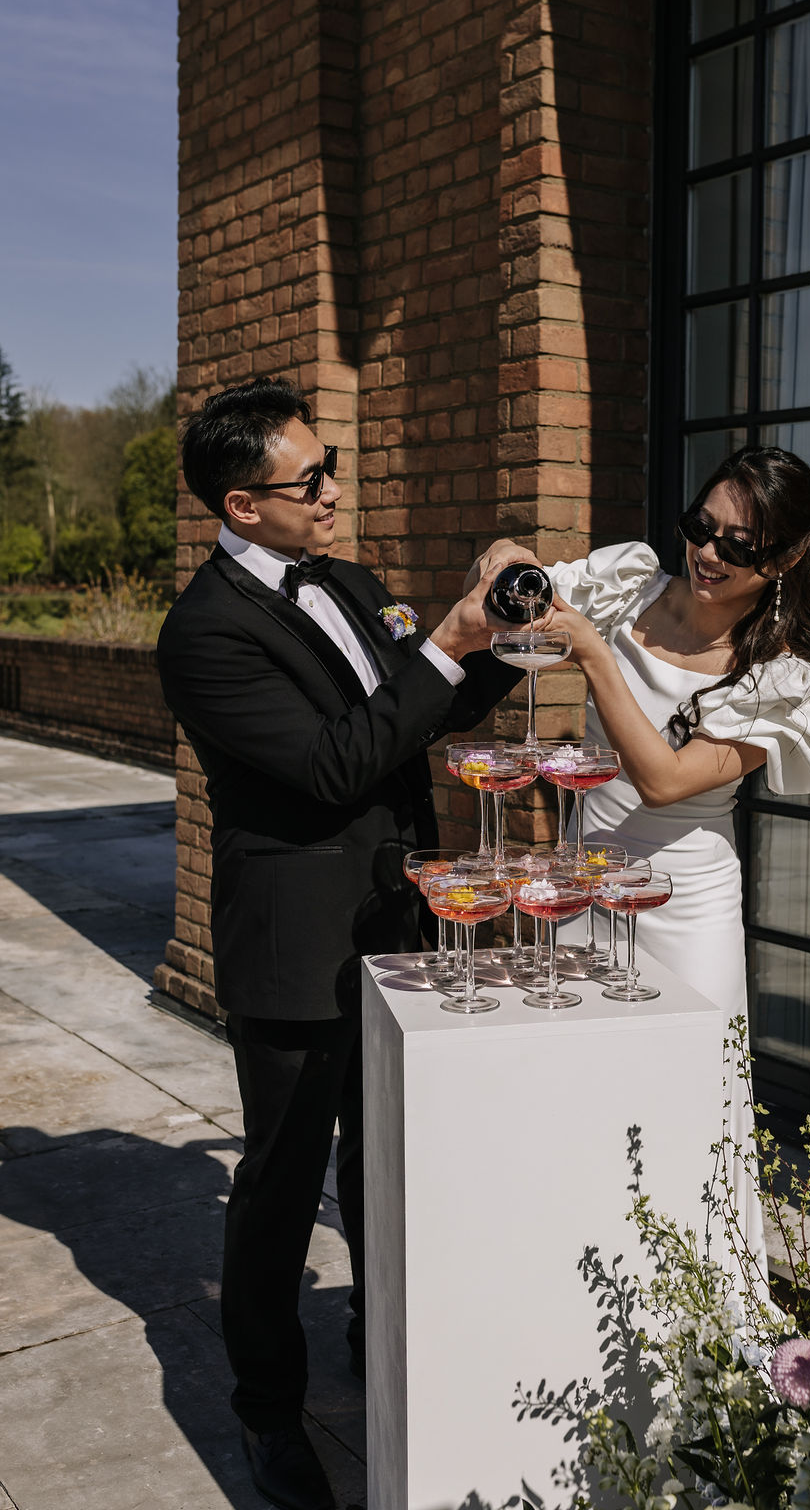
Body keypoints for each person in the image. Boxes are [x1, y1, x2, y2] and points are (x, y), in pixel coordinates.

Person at [158, 377, 525, 1510]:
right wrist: (447, 641)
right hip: (295, 946)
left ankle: (383, 1335)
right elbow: (333, 766)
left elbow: (432, 707)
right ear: (241, 503)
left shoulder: (353, 583)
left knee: (387, 1161)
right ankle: (269, 1412)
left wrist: (499, 627)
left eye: (330, 468)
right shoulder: (204, 634)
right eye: (309, 478)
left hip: (396, 920)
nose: (331, 491)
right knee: (280, 1185)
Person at [472, 446, 810, 1263]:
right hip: (583, 885)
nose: (708, 553)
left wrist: (594, 654)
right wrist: (506, 560)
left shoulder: (779, 679)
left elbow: (664, 781)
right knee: (576, 1094)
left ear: (785, 558)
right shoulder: (630, 586)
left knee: (689, 1104)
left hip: (685, 906)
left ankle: (697, 1303)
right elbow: (521, 581)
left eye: (740, 544)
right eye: (699, 526)